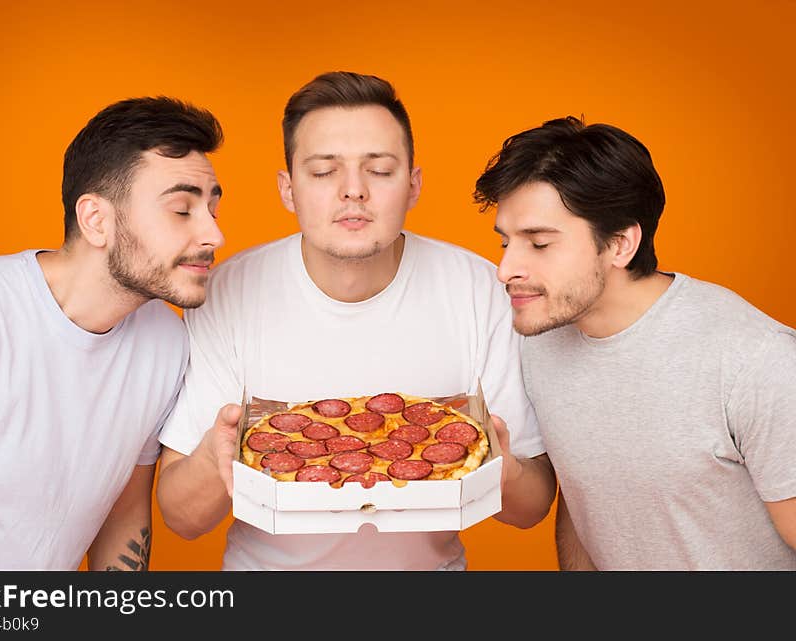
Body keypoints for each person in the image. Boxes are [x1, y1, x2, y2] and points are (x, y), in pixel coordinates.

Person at [156, 71, 557, 570]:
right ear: (288, 189)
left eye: (380, 170)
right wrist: (214, 459)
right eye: (324, 171)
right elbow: (182, 517)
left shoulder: (482, 287)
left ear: (413, 185)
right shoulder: (227, 290)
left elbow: (532, 506)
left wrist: (499, 467)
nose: (353, 192)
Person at [0, 96, 226, 570]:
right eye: (182, 210)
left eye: (212, 210)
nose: (213, 236)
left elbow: (124, 513)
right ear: (96, 220)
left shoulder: (166, 342)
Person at [473, 115, 796, 570]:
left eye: (539, 244)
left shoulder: (756, 362)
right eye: (506, 243)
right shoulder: (540, 339)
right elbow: (588, 496)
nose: (506, 270)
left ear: (621, 244)